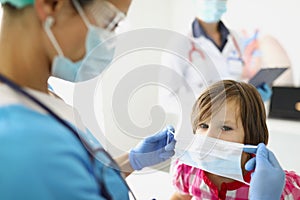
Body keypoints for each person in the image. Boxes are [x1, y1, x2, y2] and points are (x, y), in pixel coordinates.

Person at [0, 0, 177, 199]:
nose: (110, 41)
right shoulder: (24, 141)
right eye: (110, 22)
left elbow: (70, 180)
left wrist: (133, 160)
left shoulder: (40, 94)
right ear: (52, 5)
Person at [171, 80, 300, 199]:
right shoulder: (187, 169)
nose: (208, 137)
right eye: (203, 126)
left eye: (225, 128)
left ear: (252, 135)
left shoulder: (274, 186)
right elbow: (181, 197)